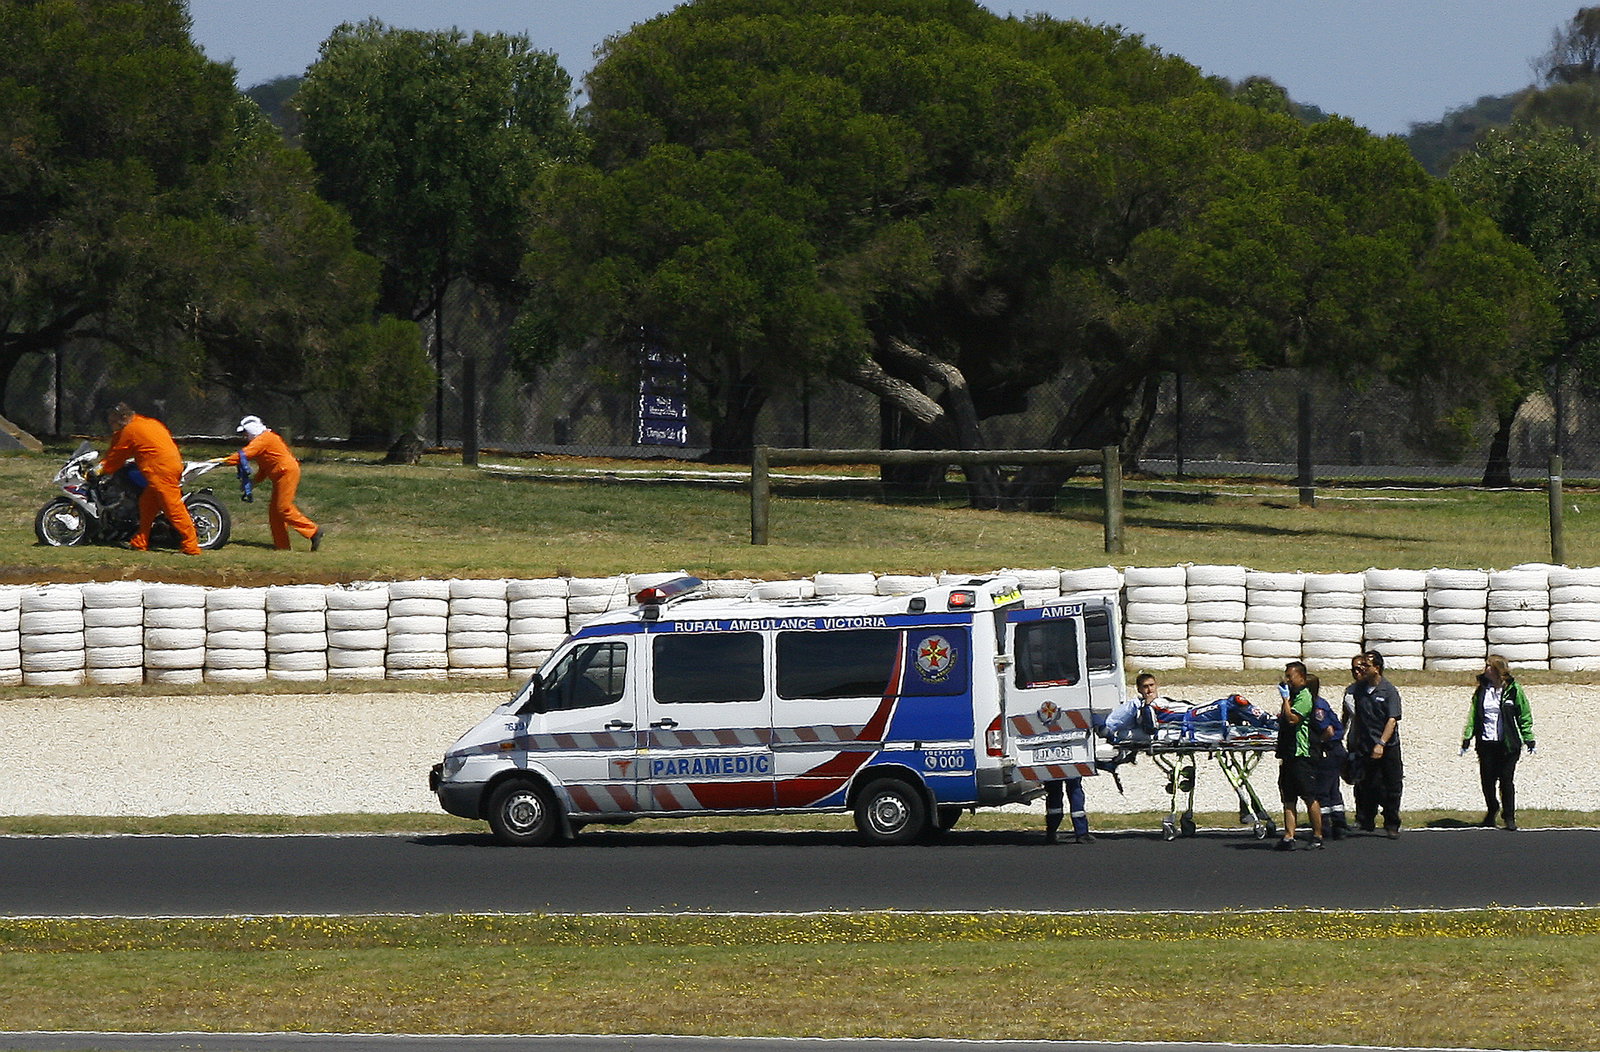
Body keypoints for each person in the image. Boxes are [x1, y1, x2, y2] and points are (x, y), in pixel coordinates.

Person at [97, 402, 201, 556]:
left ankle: (191, 546)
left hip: (161, 471)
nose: (110, 424)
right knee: (147, 504)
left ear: (123, 417)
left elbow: (116, 457)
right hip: (170, 466)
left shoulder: (131, 430)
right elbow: (117, 443)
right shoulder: (146, 423)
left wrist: (100, 470)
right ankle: (141, 541)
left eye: (112, 421)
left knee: (173, 509)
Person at [218, 415, 322, 551]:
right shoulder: (262, 442)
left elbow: (244, 454)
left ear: (251, 429)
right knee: (274, 512)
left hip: (287, 472)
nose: (244, 437)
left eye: (245, 433)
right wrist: (253, 482)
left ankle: (313, 531)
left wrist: (223, 461)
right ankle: (282, 546)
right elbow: (265, 468)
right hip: (280, 474)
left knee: (283, 508)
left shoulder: (264, 439)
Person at [1461, 654, 1536, 831]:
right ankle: (1492, 809)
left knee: (1506, 780)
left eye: (1488, 666)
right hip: (1486, 742)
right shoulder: (1481, 691)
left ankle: (1509, 816)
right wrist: (1467, 736)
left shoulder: (1514, 690)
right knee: (1487, 780)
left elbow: (1524, 714)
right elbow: (1473, 715)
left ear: (1496, 669)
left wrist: (1528, 737)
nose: (1485, 669)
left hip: (1508, 744)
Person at [1343, 649, 1405, 838]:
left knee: (1392, 785)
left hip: (1387, 746)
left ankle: (1392, 822)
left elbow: (1392, 720)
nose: (1362, 668)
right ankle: (1366, 820)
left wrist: (1381, 743)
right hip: (1365, 746)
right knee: (1368, 784)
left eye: (1366, 665)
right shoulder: (1358, 690)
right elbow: (1353, 717)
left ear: (1376, 668)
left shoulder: (1388, 690)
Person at [1274, 661, 1324, 851]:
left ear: (1301, 677)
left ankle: (1318, 834)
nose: (1287, 680)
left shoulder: (1304, 697)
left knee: (1309, 795)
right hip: (1288, 754)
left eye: (1290, 676)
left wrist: (1285, 700)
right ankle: (1289, 835)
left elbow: (1293, 718)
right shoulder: (1293, 696)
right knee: (1288, 797)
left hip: (1302, 754)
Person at [1311, 682, 1349, 839]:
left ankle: (1325, 825)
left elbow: (1328, 730)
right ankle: (1339, 824)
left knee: (1322, 789)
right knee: (1333, 788)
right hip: (1336, 750)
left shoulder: (1316, 706)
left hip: (1328, 749)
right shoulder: (1321, 702)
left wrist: (1317, 743)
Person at [1042, 776, 1093, 844]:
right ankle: (1082, 833)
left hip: (1052, 767)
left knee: (1054, 794)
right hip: (1071, 768)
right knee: (1074, 790)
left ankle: (1051, 832)